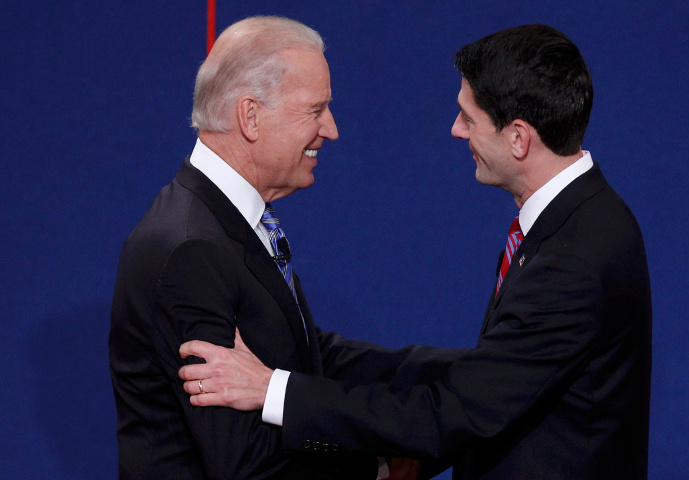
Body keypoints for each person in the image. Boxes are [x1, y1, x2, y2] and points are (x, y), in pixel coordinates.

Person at [178, 24, 653, 480]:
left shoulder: (573, 258)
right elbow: (496, 382)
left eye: (469, 118)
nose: (455, 131)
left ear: (518, 137)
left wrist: (270, 390)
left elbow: (456, 412)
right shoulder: (574, 222)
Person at [109, 16, 390, 479]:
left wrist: (461, 376)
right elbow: (244, 464)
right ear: (250, 116)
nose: (332, 129)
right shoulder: (191, 248)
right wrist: (376, 466)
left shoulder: (221, 220)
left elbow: (304, 354)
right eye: (316, 110)